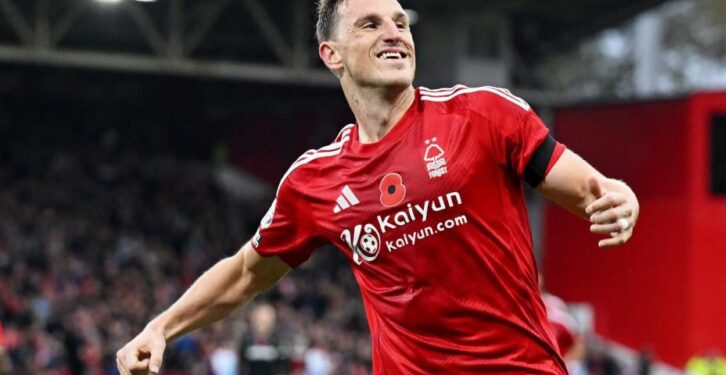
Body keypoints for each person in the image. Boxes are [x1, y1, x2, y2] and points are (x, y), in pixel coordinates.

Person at [115, 0, 640, 373]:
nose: (394, 33)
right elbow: (245, 273)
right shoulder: (314, 181)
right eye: (370, 24)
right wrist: (160, 328)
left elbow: (590, 188)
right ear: (332, 55)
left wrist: (620, 195)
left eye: (399, 21)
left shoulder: (483, 114)